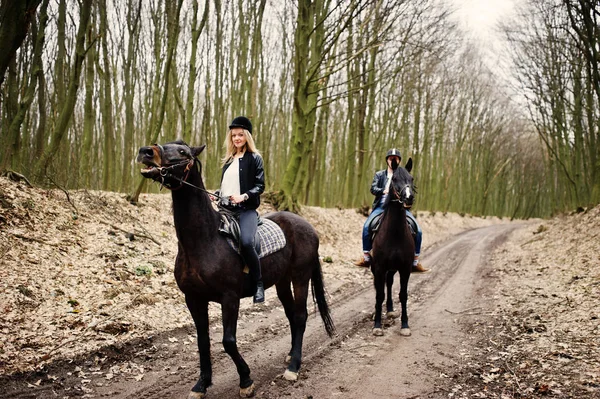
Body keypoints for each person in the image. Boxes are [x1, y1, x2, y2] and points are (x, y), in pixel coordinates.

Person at [354, 148, 429, 273]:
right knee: (367, 226)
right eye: (391, 158)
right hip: (381, 207)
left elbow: (408, 188)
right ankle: (366, 256)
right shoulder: (380, 175)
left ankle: (415, 260)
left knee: (419, 231)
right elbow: (373, 188)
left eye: (396, 158)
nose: (393, 160)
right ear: (388, 161)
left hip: (400, 208)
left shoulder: (403, 174)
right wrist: (383, 190)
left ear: (399, 160)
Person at [218, 116, 266, 303]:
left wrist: (244, 196)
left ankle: (258, 283)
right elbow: (227, 186)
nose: (237, 138)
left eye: (240, 135)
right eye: (233, 135)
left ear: (247, 136)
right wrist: (217, 193)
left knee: (246, 242)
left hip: (245, 210)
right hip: (225, 209)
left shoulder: (255, 158)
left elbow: (260, 186)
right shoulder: (228, 160)